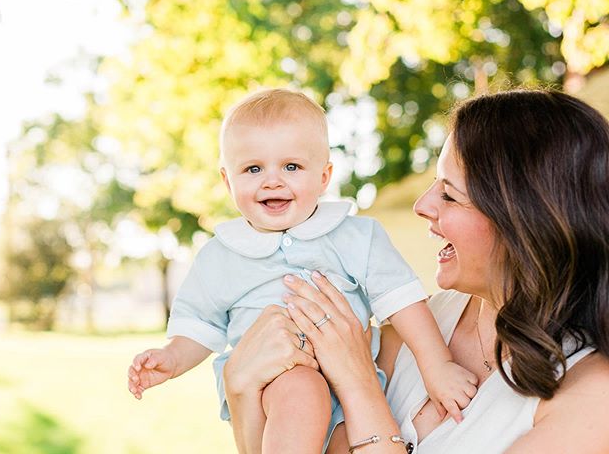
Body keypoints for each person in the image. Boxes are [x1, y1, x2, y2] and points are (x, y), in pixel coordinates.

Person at [223, 89, 609, 453]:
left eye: (449, 194)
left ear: (526, 221)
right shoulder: (416, 331)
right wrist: (241, 391)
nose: (422, 205)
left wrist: (360, 387)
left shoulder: (592, 398)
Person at [126, 88, 477, 453]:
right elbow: (199, 327)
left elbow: (404, 302)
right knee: (302, 390)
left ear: (324, 177)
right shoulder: (220, 255)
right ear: (228, 181)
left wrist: (437, 367)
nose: (272, 180)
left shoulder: (357, 235)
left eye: (291, 167)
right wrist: (170, 358)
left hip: (351, 387)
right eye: (253, 169)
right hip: (273, 388)